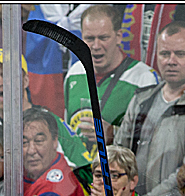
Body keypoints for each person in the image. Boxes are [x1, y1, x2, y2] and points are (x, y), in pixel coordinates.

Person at [113, 21, 185, 196]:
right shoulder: (141, 99)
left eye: (180, 54)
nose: (171, 61)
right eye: (164, 54)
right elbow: (119, 154)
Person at [0, 48, 92, 177]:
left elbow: (85, 172)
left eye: (7, 75)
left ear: (25, 80)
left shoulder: (49, 122)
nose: (0, 82)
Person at [64, 5, 158, 139]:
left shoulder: (144, 79)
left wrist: (112, 133)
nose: (96, 46)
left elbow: (153, 138)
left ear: (119, 36)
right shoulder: (74, 72)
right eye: (89, 39)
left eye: (103, 38)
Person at [23, 107, 85, 196]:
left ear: (55, 141)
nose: (31, 150)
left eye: (39, 140)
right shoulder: (21, 171)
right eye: (24, 142)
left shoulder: (55, 191)